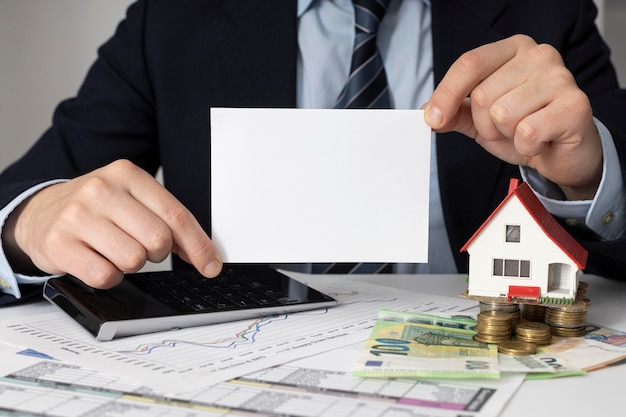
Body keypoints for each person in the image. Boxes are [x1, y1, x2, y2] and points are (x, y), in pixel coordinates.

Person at [1, 0, 625, 304]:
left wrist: (593, 176)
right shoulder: (173, 19)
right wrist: (29, 223)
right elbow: (24, 197)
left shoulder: (545, 12)